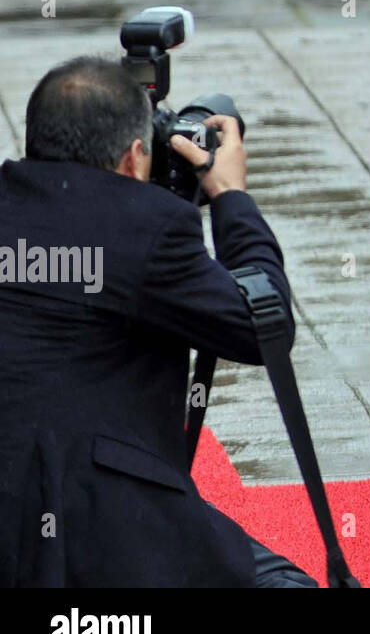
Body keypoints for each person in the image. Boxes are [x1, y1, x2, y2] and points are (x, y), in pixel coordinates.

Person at [0, 56, 317, 585]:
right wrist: (231, 197)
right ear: (133, 158)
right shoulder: (143, 227)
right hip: (89, 533)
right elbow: (263, 325)